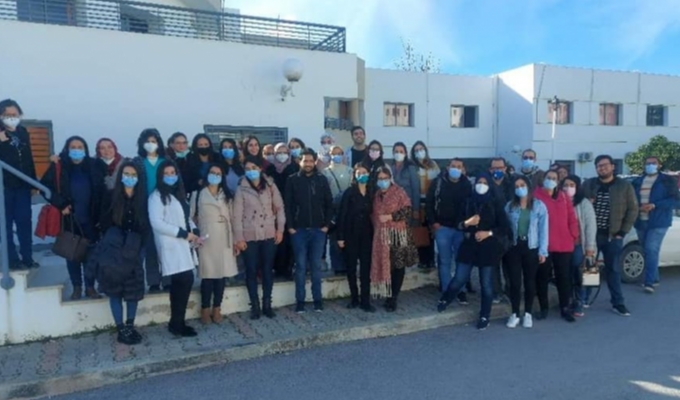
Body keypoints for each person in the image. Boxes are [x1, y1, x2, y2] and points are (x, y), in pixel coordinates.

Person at [437, 174, 510, 331]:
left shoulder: (496, 203)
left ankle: (485, 315)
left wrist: (488, 233)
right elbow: (458, 224)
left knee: (486, 284)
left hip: (488, 247)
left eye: (484, 183)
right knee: (459, 278)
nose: (481, 185)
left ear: (490, 185)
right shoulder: (468, 201)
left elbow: (504, 228)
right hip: (469, 245)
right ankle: (445, 299)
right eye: (479, 182)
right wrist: (467, 223)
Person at [41, 136, 105, 300]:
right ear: (67, 149)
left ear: (85, 149)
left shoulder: (94, 165)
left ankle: (90, 287)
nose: (76, 150)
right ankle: (77, 287)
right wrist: (61, 204)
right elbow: (44, 188)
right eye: (73, 147)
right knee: (72, 254)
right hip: (70, 218)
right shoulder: (59, 166)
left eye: (80, 147)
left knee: (91, 255)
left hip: (91, 217)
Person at [93, 161, 147, 345]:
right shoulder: (111, 196)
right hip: (114, 250)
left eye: (133, 174)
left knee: (132, 291)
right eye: (126, 173)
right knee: (115, 291)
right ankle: (121, 328)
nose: (129, 178)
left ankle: (130, 325)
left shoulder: (142, 198)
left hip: (134, 250)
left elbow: (145, 225)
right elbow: (104, 221)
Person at [148, 160, 200, 337]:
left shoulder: (179, 194)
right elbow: (156, 222)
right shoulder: (156, 196)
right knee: (184, 280)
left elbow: (186, 217)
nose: (170, 176)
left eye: (173, 173)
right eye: (166, 173)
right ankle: (177, 323)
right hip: (171, 244)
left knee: (184, 282)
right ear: (161, 176)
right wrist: (182, 233)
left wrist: (195, 231)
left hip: (183, 244)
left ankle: (177, 322)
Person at [582, 155, 637, 316]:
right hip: (592, 235)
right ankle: (585, 298)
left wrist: (623, 232)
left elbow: (633, 209)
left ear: (613, 167)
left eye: (605, 165)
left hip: (613, 235)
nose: (602, 168)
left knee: (613, 269)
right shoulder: (589, 184)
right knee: (590, 267)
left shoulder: (624, 186)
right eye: (599, 166)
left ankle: (618, 302)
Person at [233, 156, 285, 319]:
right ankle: (254, 305)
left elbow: (280, 208)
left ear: (260, 169)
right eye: (248, 169)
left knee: (268, 270)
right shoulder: (241, 188)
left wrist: (280, 229)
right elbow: (236, 215)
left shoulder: (270, 185)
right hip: (249, 235)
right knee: (251, 270)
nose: (251, 172)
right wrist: (239, 238)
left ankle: (267, 304)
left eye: (254, 168)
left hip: (269, 233)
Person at [285, 149, 333, 313]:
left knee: (316, 267)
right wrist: (290, 227)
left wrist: (326, 225)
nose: (308, 164)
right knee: (300, 267)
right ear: (300, 161)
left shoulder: (321, 179)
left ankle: (317, 300)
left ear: (315, 162)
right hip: (298, 231)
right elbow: (288, 205)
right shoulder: (292, 180)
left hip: (318, 231)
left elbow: (329, 204)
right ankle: (300, 301)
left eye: (311, 161)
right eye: (305, 161)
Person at [191, 164, 238, 325]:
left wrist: (236, 240)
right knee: (207, 275)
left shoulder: (227, 195)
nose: (215, 175)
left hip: (225, 237)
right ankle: (204, 308)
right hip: (206, 238)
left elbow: (233, 218)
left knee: (221, 275)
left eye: (218, 173)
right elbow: (191, 218)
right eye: (212, 172)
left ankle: (217, 307)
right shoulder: (198, 194)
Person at [371, 166, 419, 312]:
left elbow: (407, 210)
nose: (383, 181)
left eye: (385, 178)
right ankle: (387, 293)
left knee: (398, 266)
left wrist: (391, 217)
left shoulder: (399, 192)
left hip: (398, 234)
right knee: (386, 265)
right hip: (382, 236)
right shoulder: (377, 195)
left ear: (390, 178)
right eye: (380, 179)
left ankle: (393, 298)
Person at [534, 170, 579, 322]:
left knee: (563, 278)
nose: (551, 180)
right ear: (543, 179)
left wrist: (573, 235)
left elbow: (571, 217)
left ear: (558, 181)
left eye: (554, 178)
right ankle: (543, 307)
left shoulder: (564, 197)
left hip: (564, 244)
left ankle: (565, 308)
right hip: (544, 245)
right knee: (542, 277)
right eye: (549, 178)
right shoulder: (536, 196)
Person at [504, 176, 548, 329]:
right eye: (516, 186)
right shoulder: (509, 206)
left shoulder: (539, 206)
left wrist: (543, 251)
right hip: (514, 248)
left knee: (530, 282)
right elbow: (505, 227)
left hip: (531, 247)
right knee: (515, 283)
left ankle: (528, 313)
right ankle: (515, 313)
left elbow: (543, 230)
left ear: (528, 186)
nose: (519, 188)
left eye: (522, 185)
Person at [0, 99, 38, 270]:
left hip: (22, 187)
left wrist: (33, 182)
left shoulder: (22, 132)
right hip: (4, 188)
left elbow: (29, 159)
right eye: (7, 115)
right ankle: (11, 260)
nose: (11, 118)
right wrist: (3, 143)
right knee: (5, 225)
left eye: (14, 115)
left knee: (24, 222)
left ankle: (27, 258)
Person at [631, 156, 678, 293]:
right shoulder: (638, 181)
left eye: (653, 163)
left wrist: (655, 205)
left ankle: (649, 282)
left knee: (651, 248)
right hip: (641, 220)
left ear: (659, 165)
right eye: (647, 163)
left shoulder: (667, 181)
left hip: (659, 221)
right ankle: (654, 277)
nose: (650, 165)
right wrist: (637, 207)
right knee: (646, 250)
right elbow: (631, 198)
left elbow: (675, 201)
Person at [426, 158, 472, 296]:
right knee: (444, 260)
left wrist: (466, 225)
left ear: (463, 169)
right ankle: (447, 291)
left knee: (461, 260)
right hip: (442, 228)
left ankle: (460, 289)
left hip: (460, 229)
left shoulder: (467, 184)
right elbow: (429, 203)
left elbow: (470, 207)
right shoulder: (438, 182)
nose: (456, 169)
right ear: (447, 167)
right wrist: (434, 222)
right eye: (453, 166)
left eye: (459, 166)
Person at [132, 128, 167, 293]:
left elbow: (177, 183)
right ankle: (153, 281)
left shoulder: (166, 161)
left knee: (167, 246)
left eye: (154, 141)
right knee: (150, 247)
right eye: (148, 141)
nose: (151, 145)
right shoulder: (137, 162)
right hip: (144, 209)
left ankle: (168, 279)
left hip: (165, 208)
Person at [337, 164, 375, 312]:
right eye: (359, 173)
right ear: (354, 175)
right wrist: (340, 237)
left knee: (365, 269)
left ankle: (365, 300)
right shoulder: (349, 193)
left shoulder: (372, 193)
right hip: (350, 234)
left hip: (367, 235)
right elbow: (342, 215)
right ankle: (354, 298)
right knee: (351, 268)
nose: (362, 175)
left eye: (365, 172)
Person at [562, 175, 597, 317]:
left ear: (577, 187)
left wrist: (590, 248)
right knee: (569, 275)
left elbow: (590, 226)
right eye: (565, 185)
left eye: (572, 185)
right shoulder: (559, 201)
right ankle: (571, 300)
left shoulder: (584, 203)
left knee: (582, 275)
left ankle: (581, 301)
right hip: (564, 247)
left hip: (579, 246)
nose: (568, 188)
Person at [267, 143, 299, 279]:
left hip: (291, 209)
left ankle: (288, 268)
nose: (282, 155)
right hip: (272, 210)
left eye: (284, 152)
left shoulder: (294, 168)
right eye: (278, 152)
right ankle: (276, 268)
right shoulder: (269, 170)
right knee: (275, 240)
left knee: (289, 241)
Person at [322, 145, 353, 274]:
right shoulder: (325, 172)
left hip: (348, 208)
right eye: (334, 153)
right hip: (333, 209)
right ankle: (337, 266)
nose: (337, 156)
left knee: (348, 237)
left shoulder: (350, 171)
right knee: (334, 238)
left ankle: (348, 264)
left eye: (340, 153)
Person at [488, 156, 514, 302]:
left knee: (510, 265)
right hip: (492, 231)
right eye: (494, 168)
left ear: (505, 168)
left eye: (500, 167)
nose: (497, 170)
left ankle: (510, 291)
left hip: (510, 231)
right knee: (493, 266)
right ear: (490, 169)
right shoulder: (486, 185)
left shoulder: (513, 184)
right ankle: (496, 293)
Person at [411, 141, 440, 270]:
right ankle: (422, 260)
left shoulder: (433, 164)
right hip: (418, 202)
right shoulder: (412, 166)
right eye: (416, 150)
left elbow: (438, 181)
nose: (419, 152)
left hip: (432, 202)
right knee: (420, 232)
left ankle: (431, 260)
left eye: (421, 149)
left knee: (431, 232)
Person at [389, 142, 420, 226]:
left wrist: (416, 209)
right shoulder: (389, 168)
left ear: (405, 154)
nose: (398, 153)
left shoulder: (411, 168)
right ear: (393, 153)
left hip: (407, 207)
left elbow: (415, 189)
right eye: (396, 151)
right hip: (393, 207)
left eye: (401, 152)